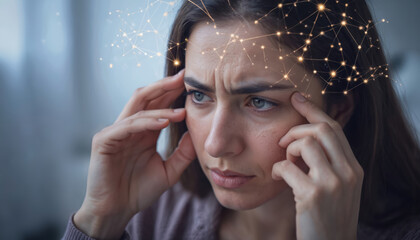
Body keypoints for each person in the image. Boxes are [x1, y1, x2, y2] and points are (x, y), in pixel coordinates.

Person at [63, 0, 420, 239]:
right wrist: (99, 220)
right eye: (199, 95)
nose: (216, 144)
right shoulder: (152, 214)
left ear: (338, 108)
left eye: (259, 102)